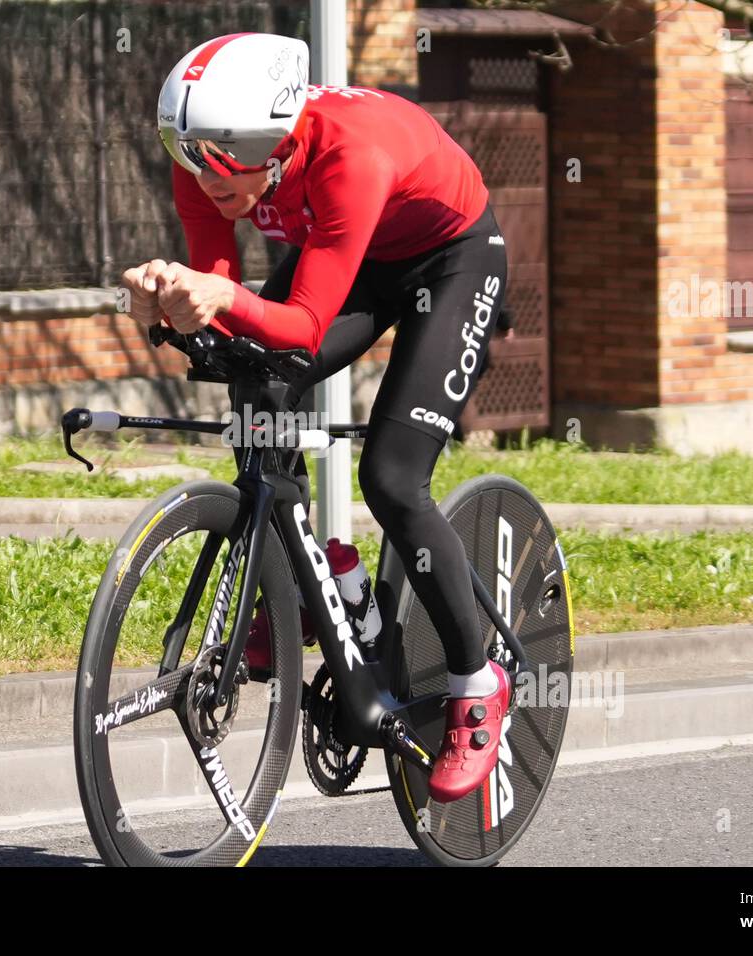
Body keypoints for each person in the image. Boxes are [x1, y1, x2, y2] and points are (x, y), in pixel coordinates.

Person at [121, 32, 512, 804]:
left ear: (277, 139)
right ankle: (299, 588)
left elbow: (300, 322)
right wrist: (164, 304)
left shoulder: (349, 156)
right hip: (354, 251)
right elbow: (224, 308)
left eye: (222, 156)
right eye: (186, 150)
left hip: (450, 259)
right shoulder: (209, 158)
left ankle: (476, 682)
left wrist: (222, 298)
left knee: (392, 479)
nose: (203, 173)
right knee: (254, 380)